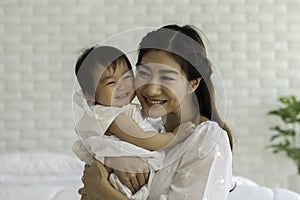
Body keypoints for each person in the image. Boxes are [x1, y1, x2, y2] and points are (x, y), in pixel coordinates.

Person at [79, 24, 234, 200]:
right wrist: (112, 161)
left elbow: (96, 185)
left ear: (193, 83)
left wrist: (102, 189)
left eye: (166, 77)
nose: (151, 90)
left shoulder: (207, 140)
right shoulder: (143, 126)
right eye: (144, 73)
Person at [72, 45, 195, 199]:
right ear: (91, 94)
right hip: (118, 181)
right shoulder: (111, 116)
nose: (122, 86)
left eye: (127, 77)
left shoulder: (128, 110)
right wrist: (175, 136)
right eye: (111, 83)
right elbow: (144, 139)